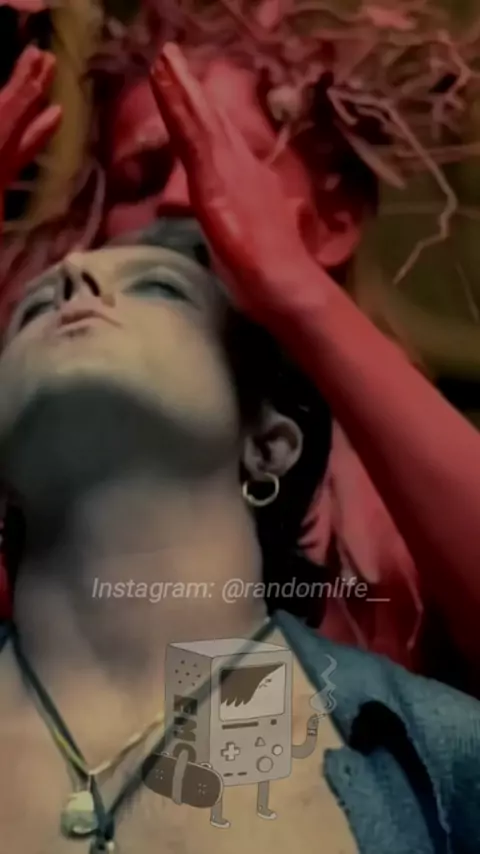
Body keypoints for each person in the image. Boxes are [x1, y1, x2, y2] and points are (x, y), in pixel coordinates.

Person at [0, 42, 480, 854]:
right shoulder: (57, 421)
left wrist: (292, 287)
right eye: (142, 177)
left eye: (220, 160)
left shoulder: (399, 476)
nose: (182, 196)